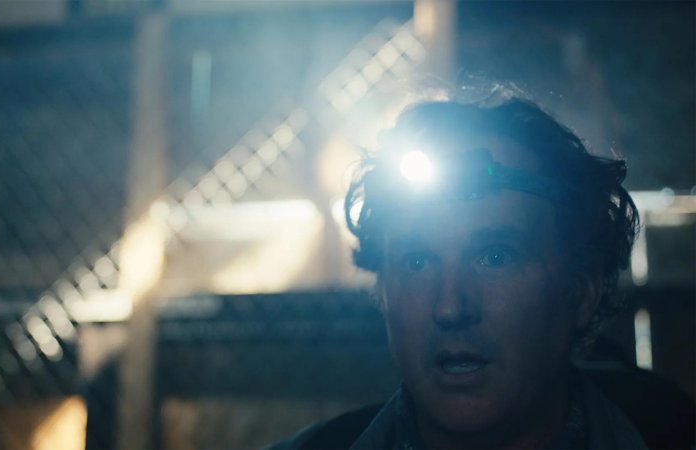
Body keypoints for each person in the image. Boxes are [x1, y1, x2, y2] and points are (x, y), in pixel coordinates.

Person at [270, 92, 653, 449]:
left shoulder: (668, 431)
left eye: (496, 257)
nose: (450, 307)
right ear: (382, 291)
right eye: (417, 262)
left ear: (583, 291)